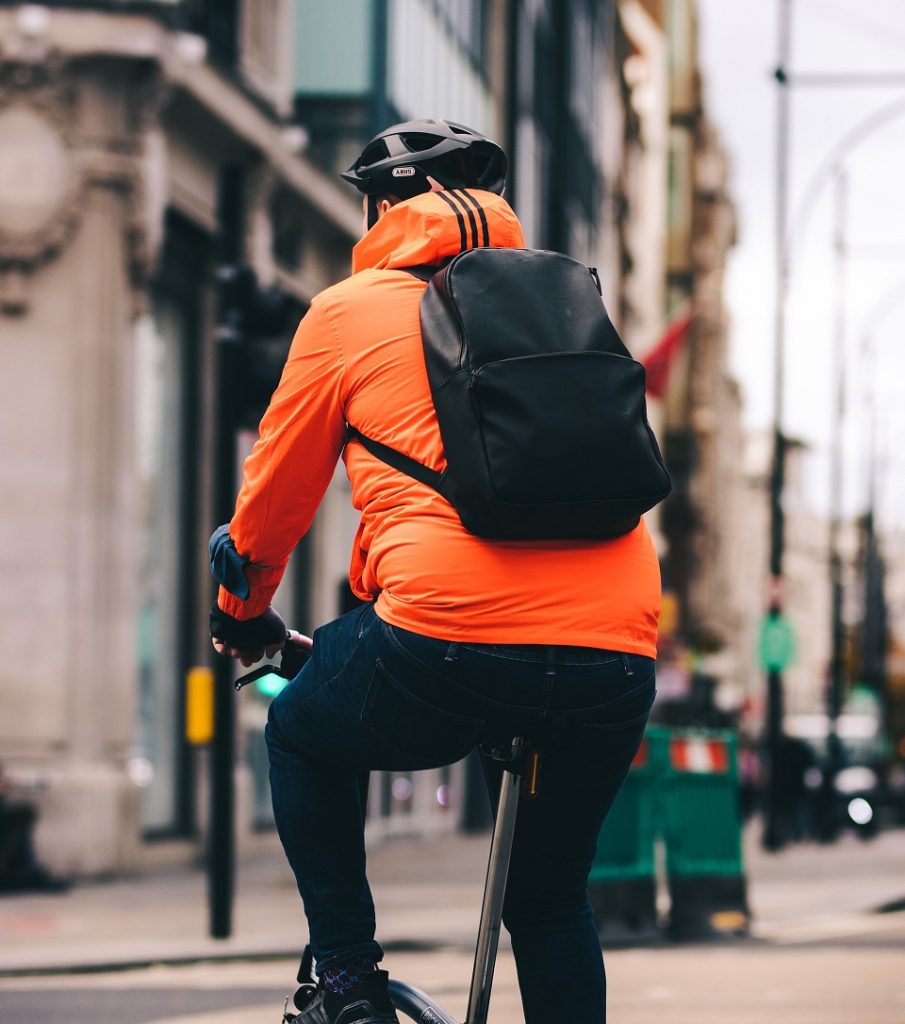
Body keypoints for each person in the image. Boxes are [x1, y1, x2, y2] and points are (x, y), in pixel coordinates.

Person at [209, 119, 661, 1024]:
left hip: (444, 641)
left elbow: (275, 495)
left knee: (300, 730)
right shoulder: (569, 302)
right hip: (614, 653)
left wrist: (244, 607)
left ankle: (348, 983)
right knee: (550, 893)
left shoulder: (347, 308)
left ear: (381, 206)